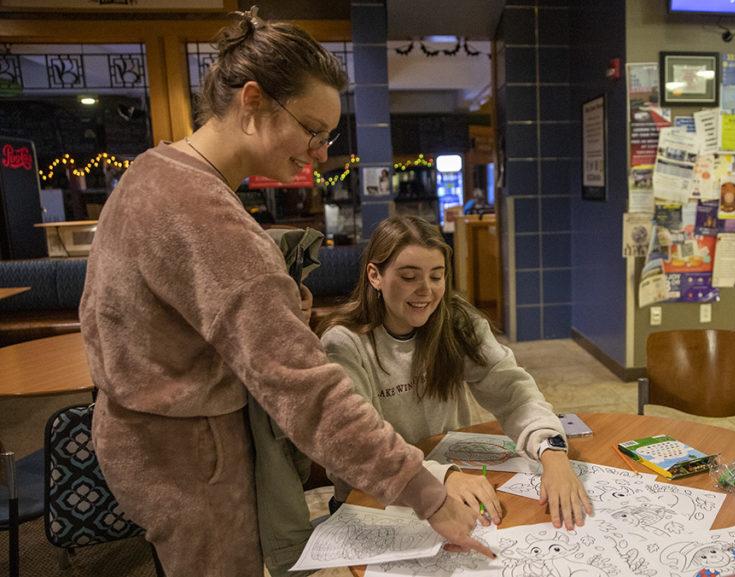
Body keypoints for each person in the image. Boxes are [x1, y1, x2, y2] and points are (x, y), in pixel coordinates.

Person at [78, 9, 491, 576]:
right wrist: (427, 492)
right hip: (189, 455)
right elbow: (308, 391)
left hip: (142, 439)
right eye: (312, 129)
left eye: (328, 135)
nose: (320, 152)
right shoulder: (206, 215)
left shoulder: (153, 169)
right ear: (252, 102)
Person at [317, 215, 594, 530]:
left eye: (437, 276)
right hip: (374, 497)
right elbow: (357, 447)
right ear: (375, 275)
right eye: (409, 276)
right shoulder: (343, 342)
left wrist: (552, 451)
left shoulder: (457, 323)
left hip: (450, 484)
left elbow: (514, 393)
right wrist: (441, 476)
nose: (426, 291)